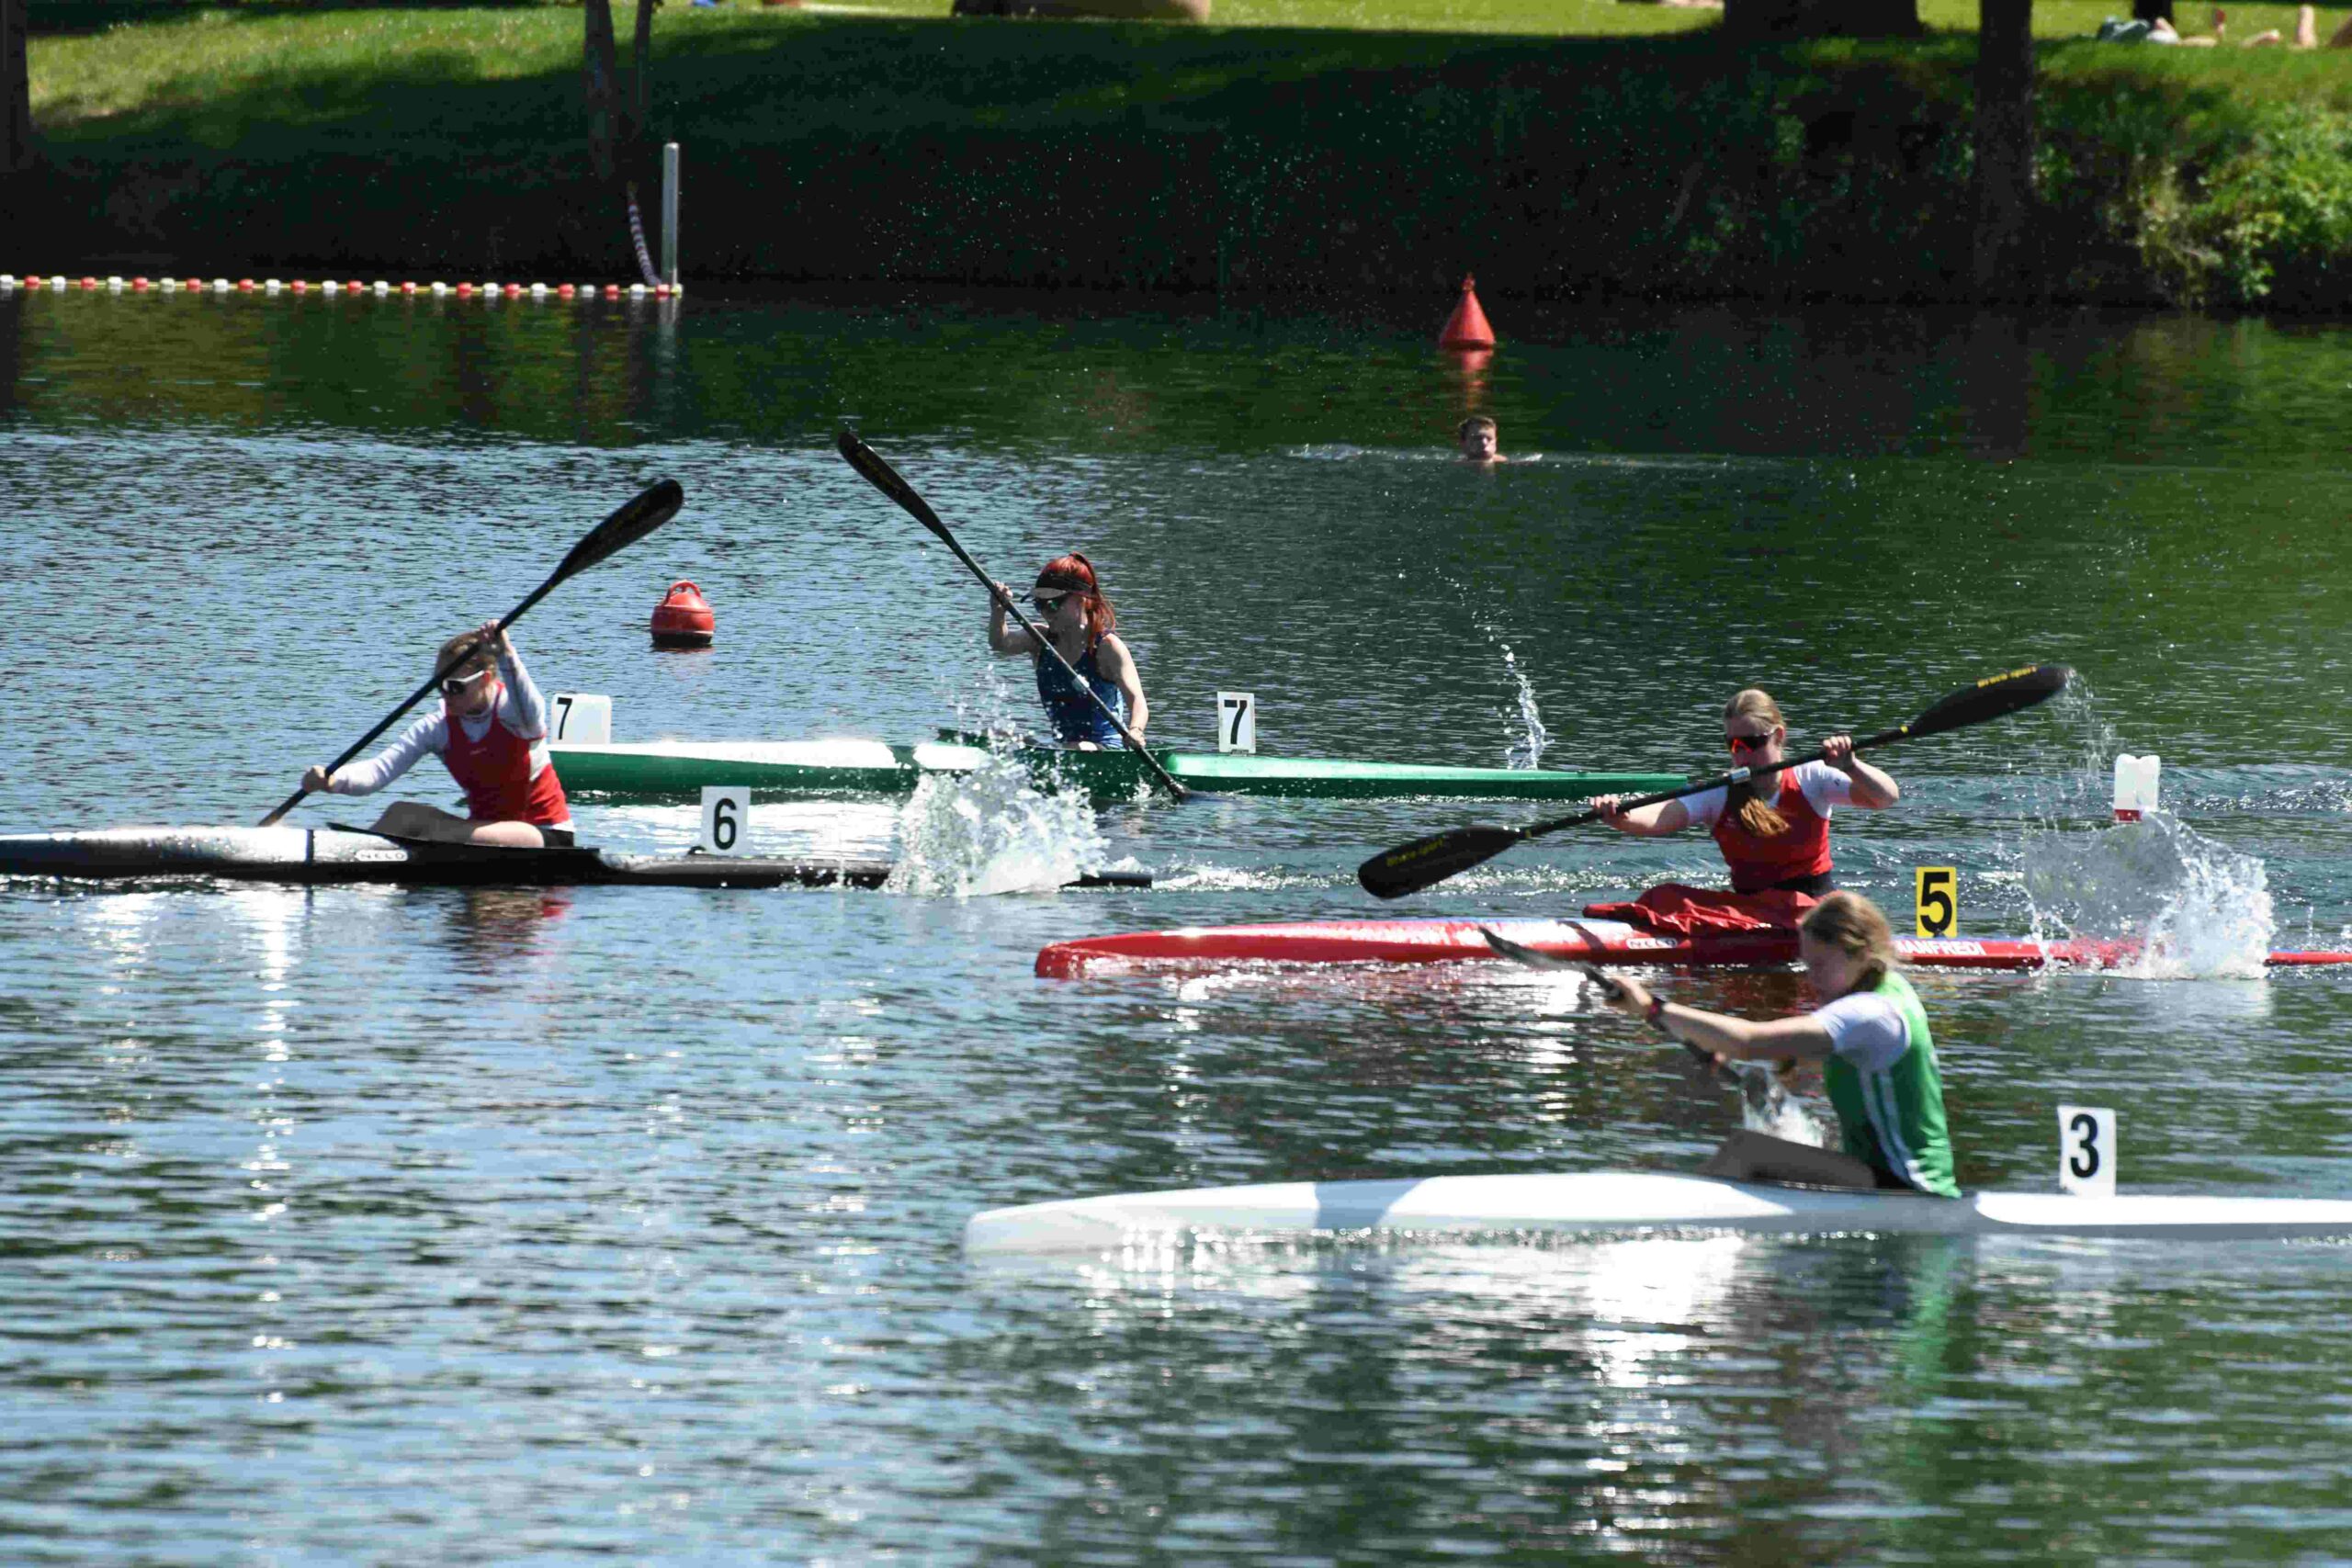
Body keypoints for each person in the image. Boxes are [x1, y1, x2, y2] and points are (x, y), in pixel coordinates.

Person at [1594, 891, 1961, 1197]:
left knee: (1746, 1149)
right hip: (1889, 1176)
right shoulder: (1888, 988)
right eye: (1806, 964)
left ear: (1861, 954)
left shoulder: (1870, 1012)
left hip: (1907, 1187)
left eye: (1819, 965)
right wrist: (1745, 1060)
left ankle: (1682, 1230)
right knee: (1765, 1146)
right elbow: (1841, 1062)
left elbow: (1750, 1041)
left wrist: (1651, 1006)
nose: (1811, 978)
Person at [1589, 687, 1899, 896]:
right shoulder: (1720, 792)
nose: (1741, 753)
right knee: (1664, 899)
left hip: (1812, 910)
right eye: (1733, 744)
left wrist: (1851, 765)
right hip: (1751, 908)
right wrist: (1620, 815)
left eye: (1751, 743)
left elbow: (1885, 798)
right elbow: (1660, 816)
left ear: (1778, 737)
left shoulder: (1812, 778)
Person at [299, 622, 575, 847]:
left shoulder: (515, 716)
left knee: (439, 833)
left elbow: (532, 706)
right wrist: (332, 779)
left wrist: (506, 655)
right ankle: (349, 860)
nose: (444, 694)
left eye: (453, 686)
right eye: (438, 685)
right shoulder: (438, 728)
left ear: (486, 680)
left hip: (543, 835)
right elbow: (377, 772)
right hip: (483, 832)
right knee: (401, 813)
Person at [989, 553, 1148, 750]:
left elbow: (1137, 700)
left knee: (1079, 747)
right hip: (1062, 750)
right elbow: (1000, 644)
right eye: (1040, 604)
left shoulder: (1108, 647)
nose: (1046, 612)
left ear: (1082, 600)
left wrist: (1136, 731)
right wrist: (998, 611)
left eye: (1054, 604)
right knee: (999, 737)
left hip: (1105, 750)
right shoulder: (1039, 639)